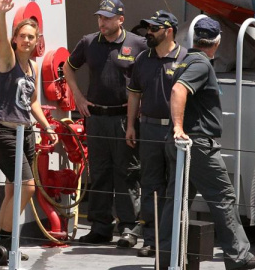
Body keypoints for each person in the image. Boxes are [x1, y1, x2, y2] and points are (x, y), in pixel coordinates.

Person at [159, 17, 255, 269]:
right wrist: (180, 128)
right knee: (223, 195)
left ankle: (166, 256)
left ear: (195, 39)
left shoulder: (183, 60)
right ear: (217, 42)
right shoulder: (201, 64)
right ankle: (238, 256)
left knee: (177, 199)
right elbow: (178, 90)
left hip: (185, 144)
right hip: (197, 145)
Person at [63, 0, 147, 247]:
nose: (102, 22)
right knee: (99, 173)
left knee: (127, 173)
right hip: (96, 118)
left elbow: (148, 75)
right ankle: (100, 228)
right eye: (100, 17)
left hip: (124, 118)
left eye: (108, 18)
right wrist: (78, 97)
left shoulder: (137, 44)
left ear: (121, 19)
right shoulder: (89, 42)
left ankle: (128, 228)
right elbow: (68, 67)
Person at [0, 0, 58, 260]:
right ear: (15, 39)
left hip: (26, 134)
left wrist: (46, 126)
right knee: (27, 188)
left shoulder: (34, 67)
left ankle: (5, 244)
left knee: (12, 189)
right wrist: (1, 14)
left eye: (32, 37)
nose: (27, 41)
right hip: (5, 134)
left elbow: (33, 102)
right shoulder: (8, 61)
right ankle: (3, 243)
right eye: (23, 36)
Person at [126, 10, 187, 257]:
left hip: (176, 132)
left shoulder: (185, 58)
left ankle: (173, 240)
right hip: (149, 128)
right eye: (148, 28)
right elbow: (134, 94)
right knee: (151, 184)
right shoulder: (142, 59)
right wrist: (131, 125)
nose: (148, 33)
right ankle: (151, 240)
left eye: (154, 28)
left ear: (168, 30)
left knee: (176, 186)